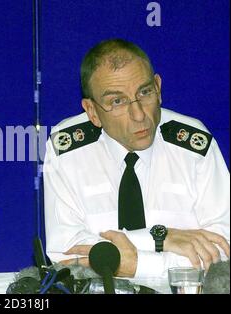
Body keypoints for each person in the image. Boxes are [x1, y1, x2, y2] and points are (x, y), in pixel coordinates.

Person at [43, 39, 230, 279]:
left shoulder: (193, 145)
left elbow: (223, 248)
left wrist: (138, 264)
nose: (139, 114)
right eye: (117, 101)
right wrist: (161, 238)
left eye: (145, 92)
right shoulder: (67, 150)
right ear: (92, 111)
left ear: (158, 88)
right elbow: (67, 253)